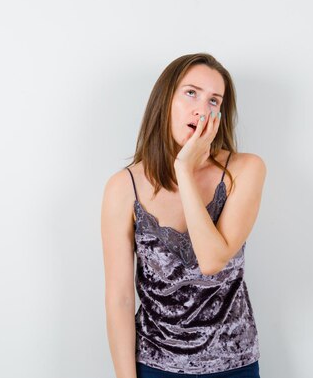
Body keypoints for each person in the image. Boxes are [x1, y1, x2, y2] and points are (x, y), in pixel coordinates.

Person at [101, 53, 266, 378]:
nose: (202, 108)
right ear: (165, 99)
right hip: (154, 366)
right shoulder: (123, 188)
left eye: (213, 100)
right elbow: (119, 299)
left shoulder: (244, 170)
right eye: (191, 92)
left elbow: (211, 260)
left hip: (234, 365)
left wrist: (184, 170)